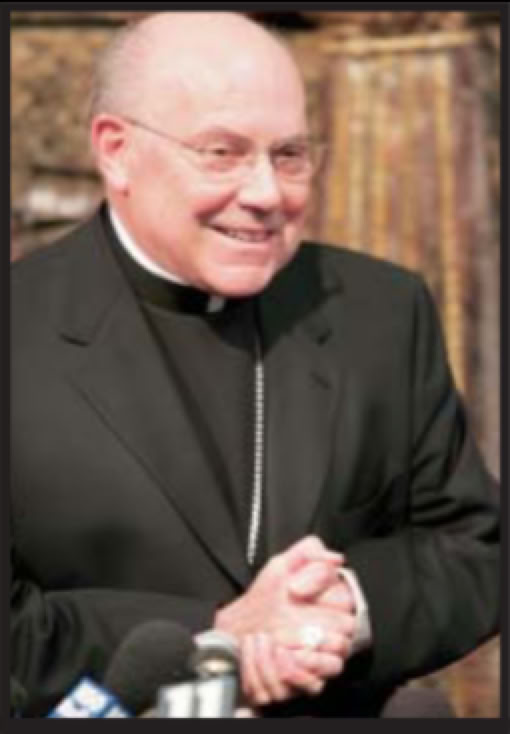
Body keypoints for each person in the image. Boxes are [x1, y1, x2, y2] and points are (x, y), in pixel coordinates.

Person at [10, 11, 499, 717]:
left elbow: (475, 546)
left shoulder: (381, 311)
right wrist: (219, 635)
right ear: (116, 151)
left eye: (290, 155)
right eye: (223, 153)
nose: (267, 193)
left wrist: (345, 607)